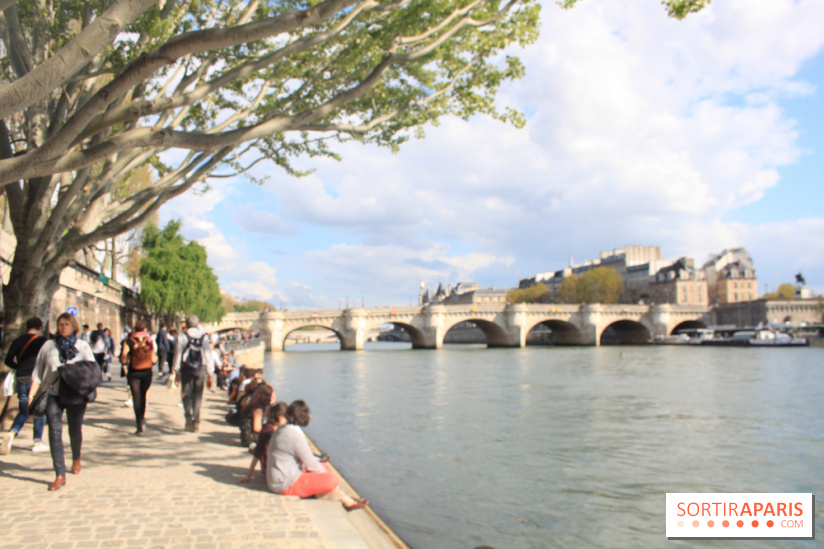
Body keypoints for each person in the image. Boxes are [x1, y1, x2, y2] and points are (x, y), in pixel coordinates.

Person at [29, 312, 97, 491]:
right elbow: (38, 372)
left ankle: (76, 457)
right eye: (60, 324)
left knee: (75, 430)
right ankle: (59, 474)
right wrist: (31, 395)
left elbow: (92, 370)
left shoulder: (82, 346)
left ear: (74, 326)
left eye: (67, 324)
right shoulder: (49, 346)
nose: (63, 327)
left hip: (76, 395)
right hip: (54, 394)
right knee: (54, 431)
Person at [267, 400, 368, 511]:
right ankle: (346, 501)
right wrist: (327, 478)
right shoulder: (294, 436)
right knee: (332, 479)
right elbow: (310, 464)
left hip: (280, 477)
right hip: (285, 483)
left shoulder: (283, 429)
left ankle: (336, 495)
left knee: (325, 467)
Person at [1, 317, 48, 454]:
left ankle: (12, 433)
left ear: (26, 327)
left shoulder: (18, 341)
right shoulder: (43, 341)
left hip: (21, 378)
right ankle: (37, 441)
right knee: (39, 410)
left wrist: (19, 367)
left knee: (23, 411)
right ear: (40, 327)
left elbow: (8, 360)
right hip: (37, 379)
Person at [172, 315, 213, 432]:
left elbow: (178, 355)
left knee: (186, 394)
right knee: (198, 396)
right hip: (201, 368)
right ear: (197, 324)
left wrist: (176, 371)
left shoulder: (182, 337)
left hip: (186, 369)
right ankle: (196, 420)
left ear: (186, 324)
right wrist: (210, 373)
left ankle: (188, 417)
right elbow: (208, 355)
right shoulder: (204, 337)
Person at [120, 321, 157, 435]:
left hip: (134, 372)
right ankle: (142, 417)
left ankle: (139, 423)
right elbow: (154, 359)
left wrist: (127, 360)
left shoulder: (129, 341)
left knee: (136, 397)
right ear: (144, 329)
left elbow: (123, 358)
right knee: (143, 396)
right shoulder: (149, 340)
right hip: (146, 372)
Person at [238, 402, 288, 484]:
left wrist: (249, 476)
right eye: (286, 418)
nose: (287, 421)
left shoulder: (267, 428)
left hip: (270, 468)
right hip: (273, 469)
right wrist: (248, 476)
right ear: (280, 417)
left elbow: (257, 453)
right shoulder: (269, 433)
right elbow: (257, 453)